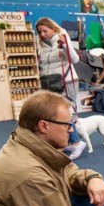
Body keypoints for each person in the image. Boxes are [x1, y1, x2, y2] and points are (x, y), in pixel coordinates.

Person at [35, 17, 85, 160]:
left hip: (66, 80)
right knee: (53, 113)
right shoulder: (42, 45)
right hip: (50, 83)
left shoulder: (62, 37)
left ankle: (76, 143)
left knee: (66, 111)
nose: (43, 34)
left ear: (53, 28)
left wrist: (64, 46)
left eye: (45, 31)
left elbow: (75, 59)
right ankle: (68, 140)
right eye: (40, 32)